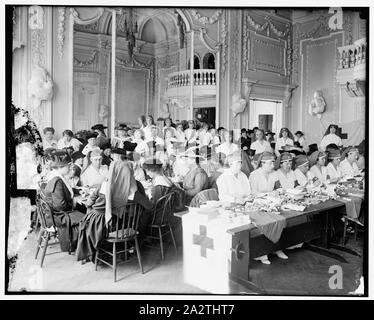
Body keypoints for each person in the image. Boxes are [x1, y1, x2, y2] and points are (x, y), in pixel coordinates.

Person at [43, 151, 85, 253]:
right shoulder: (57, 181)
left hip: (53, 213)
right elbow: (60, 205)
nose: (70, 168)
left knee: (82, 210)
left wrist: (78, 191)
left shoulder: (57, 176)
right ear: (60, 166)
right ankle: (83, 250)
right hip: (58, 215)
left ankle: (78, 245)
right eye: (68, 166)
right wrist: (73, 202)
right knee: (88, 218)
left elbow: (66, 189)